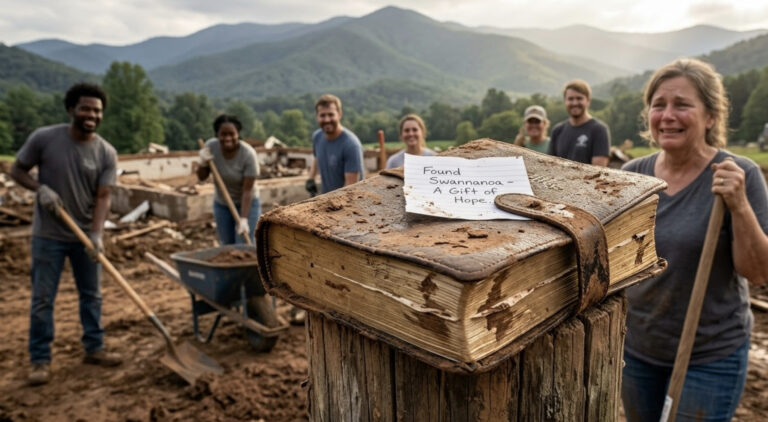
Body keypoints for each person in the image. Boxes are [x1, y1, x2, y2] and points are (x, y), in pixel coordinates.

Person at [621, 58, 768, 422]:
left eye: (682, 105)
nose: (668, 115)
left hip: (709, 356)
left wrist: (739, 206)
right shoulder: (630, 178)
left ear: (711, 116)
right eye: (659, 105)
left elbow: (759, 272)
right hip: (637, 350)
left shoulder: (738, 174)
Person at [10, 83, 122, 386]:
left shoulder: (106, 152)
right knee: (43, 299)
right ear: (71, 109)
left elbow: (103, 197)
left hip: (85, 236)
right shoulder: (44, 139)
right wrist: (40, 189)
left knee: (92, 296)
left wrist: (97, 234)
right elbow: (16, 170)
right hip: (49, 236)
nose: (92, 115)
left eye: (97, 110)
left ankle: (94, 347)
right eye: (86, 108)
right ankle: (40, 359)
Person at [197, 114, 260, 245]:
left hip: (247, 203)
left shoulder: (248, 154)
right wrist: (202, 162)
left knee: (243, 244)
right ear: (217, 135)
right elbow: (202, 177)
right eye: (223, 134)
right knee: (226, 244)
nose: (227, 138)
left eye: (232, 134)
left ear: (238, 134)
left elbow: (247, 190)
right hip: (222, 203)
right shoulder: (210, 147)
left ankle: (247, 266)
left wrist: (243, 219)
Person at [307, 94, 364, 194]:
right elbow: (317, 157)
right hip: (328, 198)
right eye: (322, 115)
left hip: (349, 203)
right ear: (317, 117)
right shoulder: (317, 137)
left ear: (339, 114)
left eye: (331, 115)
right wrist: (311, 178)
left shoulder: (351, 145)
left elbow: (350, 189)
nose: (327, 120)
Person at [548, 80, 610, 166]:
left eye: (579, 98)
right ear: (565, 101)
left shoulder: (599, 130)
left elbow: (599, 171)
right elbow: (550, 165)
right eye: (570, 99)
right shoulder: (558, 130)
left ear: (588, 101)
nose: (575, 103)